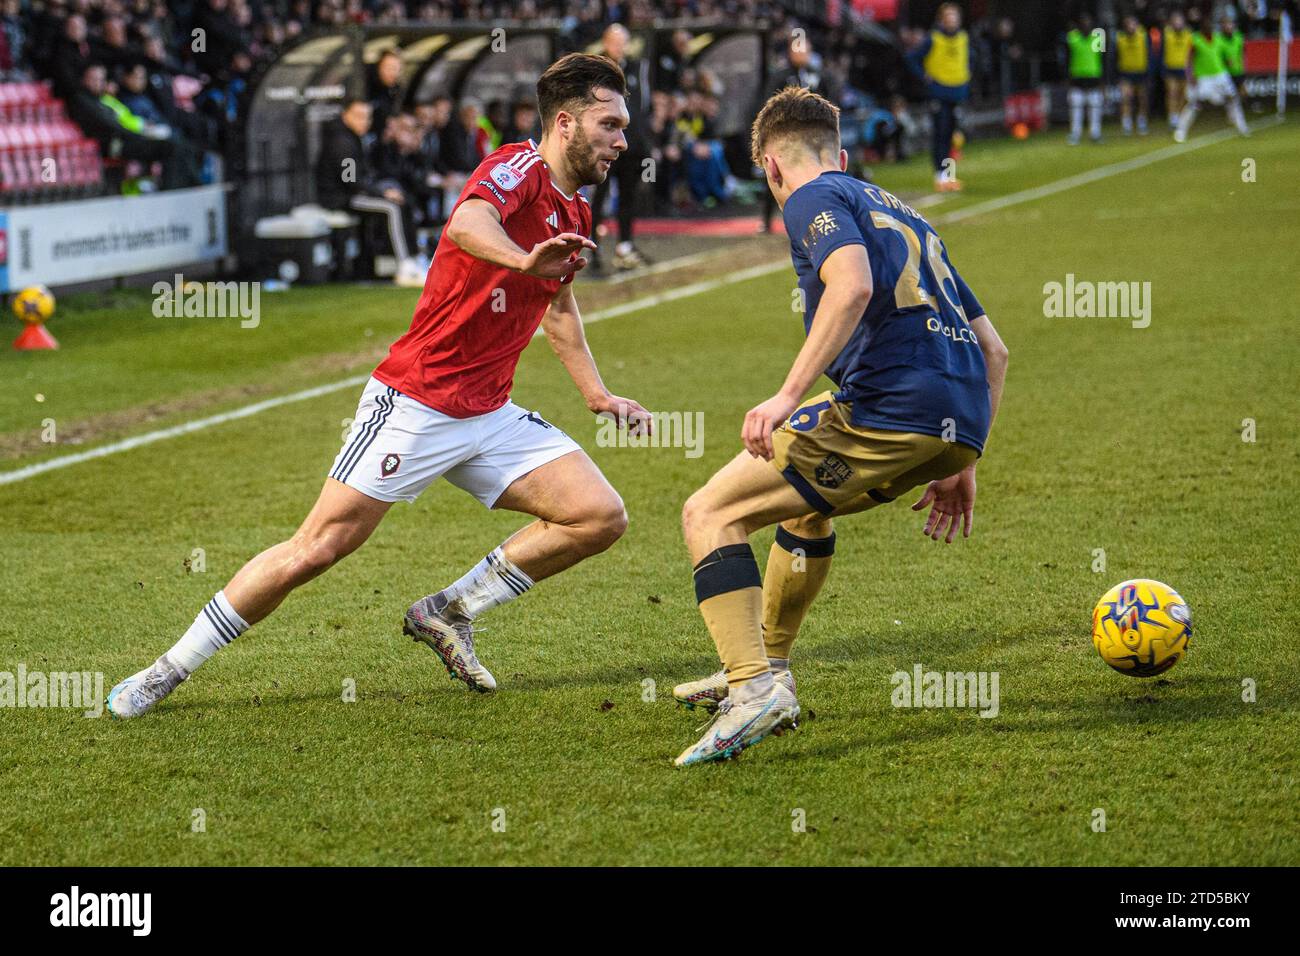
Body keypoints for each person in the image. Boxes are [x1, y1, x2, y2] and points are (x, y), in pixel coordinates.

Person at [105, 53, 652, 720]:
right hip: (418, 402)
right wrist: (520, 257)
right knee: (316, 549)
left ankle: (448, 611)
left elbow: (558, 306)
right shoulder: (517, 170)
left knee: (598, 515)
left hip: (489, 412)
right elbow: (467, 224)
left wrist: (598, 395)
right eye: (611, 124)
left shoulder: (575, 209)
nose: (624, 141)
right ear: (565, 123)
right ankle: (166, 670)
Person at [669, 87, 1008, 766]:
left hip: (889, 404)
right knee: (804, 512)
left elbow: (849, 284)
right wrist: (961, 458)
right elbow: (995, 349)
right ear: (844, 154)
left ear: (770, 166)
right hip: (957, 417)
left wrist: (785, 395)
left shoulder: (808, 197)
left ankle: (752, 689)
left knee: (708, 512)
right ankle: (771, 663)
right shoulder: (901, 209)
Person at [314, 98, 424, 287]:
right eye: (358, 116)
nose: (363, 121)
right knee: (391, 207)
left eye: (367, 117)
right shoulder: (342, 142)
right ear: (345, 116)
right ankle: (405, 264)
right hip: (342, 198)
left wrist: (381, 189)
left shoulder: (355, 138)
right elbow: (350, 181)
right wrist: (381, 193)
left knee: (400, 200)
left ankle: (414, 258)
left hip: (354, 194)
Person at [590, 24, 652, 271]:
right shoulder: (598, 71)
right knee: (599, 197)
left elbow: (643, 105)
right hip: (605, 144)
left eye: (623, 42)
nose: (620, 47)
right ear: (606, 43)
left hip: (631, 145)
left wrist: (646, 141)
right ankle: (592, 245)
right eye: (616, 42)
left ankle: (625, 245)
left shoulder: (636, 68)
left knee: (628, 196)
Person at [906, 3, 971, 192]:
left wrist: (968, 74)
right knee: (940, 134)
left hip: (957, 92)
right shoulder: (933, 39)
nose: (952, 19)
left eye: (955, 15)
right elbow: (912, 58)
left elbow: (971, 59)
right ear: (942, 19)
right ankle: (939, 175)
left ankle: (949, 176)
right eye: (949, 16)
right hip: (939, 93)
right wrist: (924, 76)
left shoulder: (963, 38)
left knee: (954, 137)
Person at [1174, 20, 1250, 142]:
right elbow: (1189, 59)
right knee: (1195, 104)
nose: (1210, 28)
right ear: (1202, 28)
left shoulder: (1218, 38)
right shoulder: (1196, 39)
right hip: (1203, 77)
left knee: (1233, 98)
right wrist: (1190, 75)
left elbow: (1223, 55)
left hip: (1220, 74)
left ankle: (1241, 125)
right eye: (1207, 26)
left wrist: (1228, 62)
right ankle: (1181, 130)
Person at [1065, 12, 1104, 145]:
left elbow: (1104, 57)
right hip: (1077, 78)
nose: (1086, 25)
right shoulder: (1072, 37)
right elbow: (1066, 58)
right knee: (1076, 107)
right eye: (1083, 23)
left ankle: (1095, 133)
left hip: (1093, 77)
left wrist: (1103, 79)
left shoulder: (1097, 37)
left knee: (1095, 106)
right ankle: (1075, 133)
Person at [1116, 14, 1152, 135]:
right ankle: (1127, 123)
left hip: (1141, 72)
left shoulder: (1143, 36)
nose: (1131, 27)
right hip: (1126, 73)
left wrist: (1149, 71)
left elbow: (1149, 53)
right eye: (1129, 25)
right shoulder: (1120, 38)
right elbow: (1115, 56)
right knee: (1126, 98)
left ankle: (1142, 122)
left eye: (1133, 24)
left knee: (1142, 99)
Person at [1162, 10, 1194, 128]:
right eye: (1175, 21)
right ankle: (1172, 117)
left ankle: (1180, 116)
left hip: (1184, 69)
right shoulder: (1166, 33)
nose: (1177, 23)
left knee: (1184, 94)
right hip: (1170, 68)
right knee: (1172, 92)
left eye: (1179, 21)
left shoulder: (1188, 34)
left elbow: (1192, 53)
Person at [1215, 13, 1246, 98]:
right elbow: (1215, 55)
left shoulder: (1238, 37)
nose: (1228, 26)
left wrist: (1242, 65)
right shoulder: (1218, 39)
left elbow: (1241, 53)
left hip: (1238, 70)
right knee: (1228, 96)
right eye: (1225, 24)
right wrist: (1224, 61)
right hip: (1224, 73)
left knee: (1242, 94)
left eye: (1229, 23)